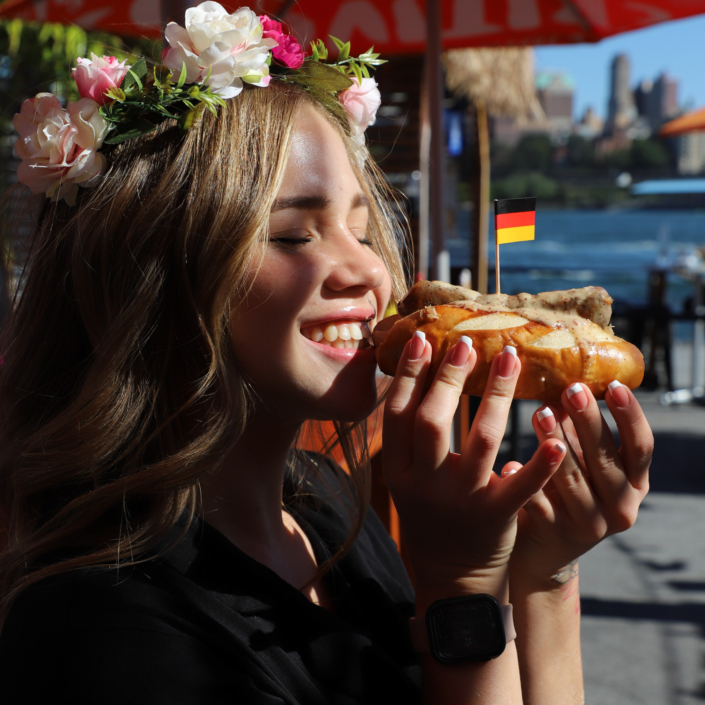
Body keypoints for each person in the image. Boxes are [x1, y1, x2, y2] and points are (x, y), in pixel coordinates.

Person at [0, 5, 653, 703]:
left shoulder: (323, 502)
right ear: (148, 279)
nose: (369, 274)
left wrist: (543, 576)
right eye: (291, 236)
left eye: (362, 232)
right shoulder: (106, 626)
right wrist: (457, 584)